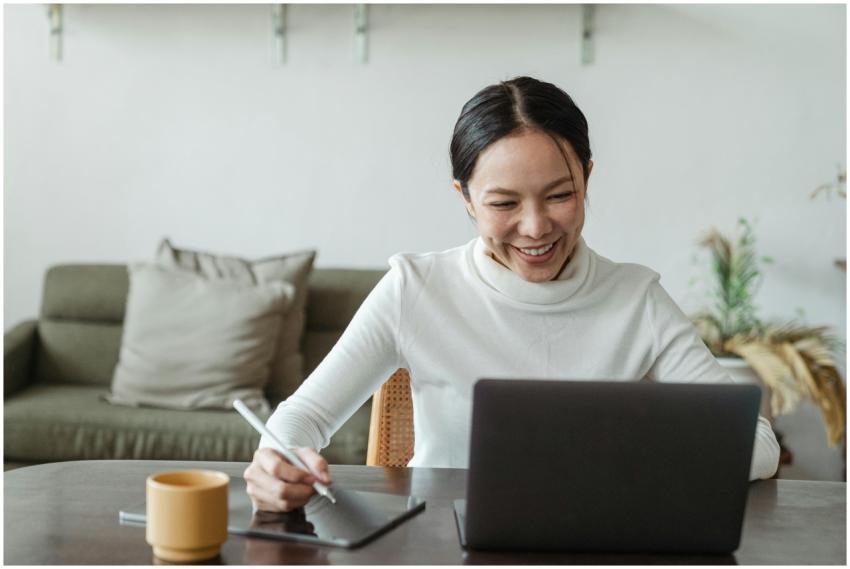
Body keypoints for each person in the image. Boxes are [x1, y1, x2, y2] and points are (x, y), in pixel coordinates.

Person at [243, 76, 781, 512]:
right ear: (467, 199)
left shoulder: (635, 299)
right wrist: (277, 461)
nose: (535, 227)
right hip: (442, 544)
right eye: (503, 204)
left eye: (561, 195)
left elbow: (757, 443)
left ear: (587, 180)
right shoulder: (416, 289)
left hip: (592, 542)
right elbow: (302, 417)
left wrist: (641, 460)